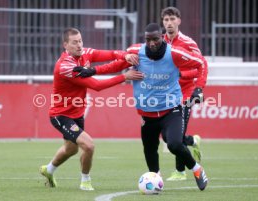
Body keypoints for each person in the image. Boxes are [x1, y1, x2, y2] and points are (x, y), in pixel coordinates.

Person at [73, 23, 208, 191]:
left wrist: (199, 88)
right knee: (150, 149)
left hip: (171, 109)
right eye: (148, 40)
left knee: (173, 143)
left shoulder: (174, 53)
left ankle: (196, 169)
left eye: (156, 39)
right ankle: (156, 179)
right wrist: (93, 71)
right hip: (147, 113)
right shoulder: (136, 52)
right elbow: (116, 65)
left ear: (162, 37)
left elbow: (201, 64)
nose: (152, 43)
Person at [39, 27, 143, 191]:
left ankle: (48, 170)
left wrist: (126, 56)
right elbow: (97, 86)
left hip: (77, 113)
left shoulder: (85, 53)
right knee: (88, 145)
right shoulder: (65, 66)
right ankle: (85, 181)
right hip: (61, 114)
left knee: (71, 149)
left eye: (80, 41)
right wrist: (125, 76)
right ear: (65, 45)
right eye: (74, 42)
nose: (79, 45)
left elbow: (110, 55)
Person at [161, 7, 208, 181]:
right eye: (166, 20)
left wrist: (199, 87)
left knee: (177, 136)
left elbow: (201, 66)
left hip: (185, 93)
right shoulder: (160, 43)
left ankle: (180, 172)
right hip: (166, 94)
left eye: (172, 19)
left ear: (179, 21)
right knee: (167, 136)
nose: (169, 23)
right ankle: (192, 141)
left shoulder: (188, 43)